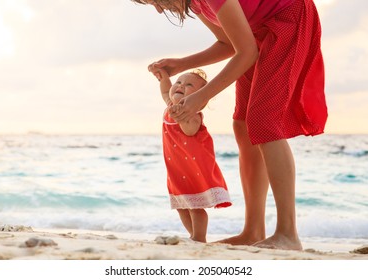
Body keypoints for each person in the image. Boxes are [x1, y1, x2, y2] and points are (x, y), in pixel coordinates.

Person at [132, 0, 328, 250]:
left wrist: (203, 95)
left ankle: (288, 233)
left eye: (155, 0)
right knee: (243, 124)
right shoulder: (197, 4)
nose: (159, 9)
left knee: (265, 121)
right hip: (258, 33)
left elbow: (246, 52)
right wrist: (182, 64)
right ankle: (253, 230)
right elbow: (228, 44)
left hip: (288, 18)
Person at [157, 67, 231, 243]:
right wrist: (163, 75)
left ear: (200, 99)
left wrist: (181, 118)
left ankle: (199, 237)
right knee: (181, 205)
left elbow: (189, 131)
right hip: (176, 167)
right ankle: (193, 236)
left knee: (195, 206)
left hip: (194, 168)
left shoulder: (193, 115)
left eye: (189, 85)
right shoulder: (170, 105)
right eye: (179, 82)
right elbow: (165, 89)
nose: (181, 85)